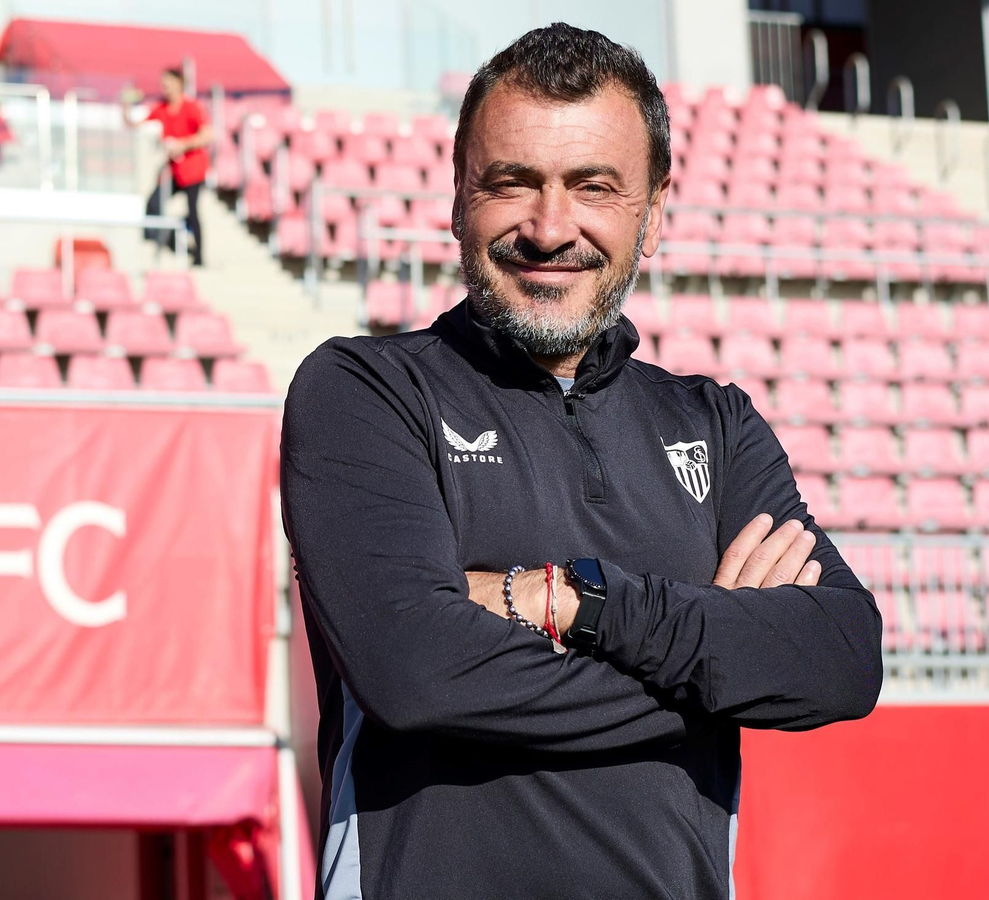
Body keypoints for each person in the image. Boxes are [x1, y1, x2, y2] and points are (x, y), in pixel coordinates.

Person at [281, 23, 882, 900]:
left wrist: (579, 600)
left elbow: (840, 660)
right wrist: (718, 661)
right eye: (511, 183)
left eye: (593, 186)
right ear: (458, 198)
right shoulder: (365, 391)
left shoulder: (716, 424)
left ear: (655, 212)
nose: (549, 227)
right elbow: (416, 672)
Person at [123, 67, 211, 266]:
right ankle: (155, 240)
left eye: (169, 83)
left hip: (193, 169)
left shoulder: (191, 107)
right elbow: (134, 124)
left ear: (179, 84)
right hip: (175, 171)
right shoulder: (161, 108)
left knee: (193, 210)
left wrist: (183, 145)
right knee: (153, 201)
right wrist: (126, 105)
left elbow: (207, 135)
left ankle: (199, 256)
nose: (165, 87)